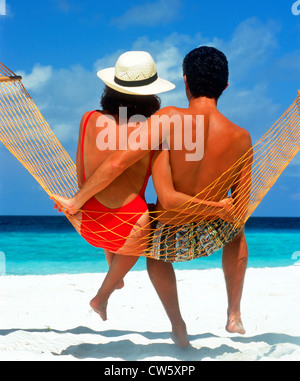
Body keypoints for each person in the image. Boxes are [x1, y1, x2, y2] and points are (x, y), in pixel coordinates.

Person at [52, 47, 251, 344]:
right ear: (225, 85)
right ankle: (234, 314)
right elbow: (241, 209)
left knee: (153, 243)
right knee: (238, 233)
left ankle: (177, 324)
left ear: (186, 81)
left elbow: (120, 163)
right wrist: (218, 209)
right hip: (213, 232)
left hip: (167, 236)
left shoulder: (167, 119)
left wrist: (76, 201)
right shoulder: (242, 137)